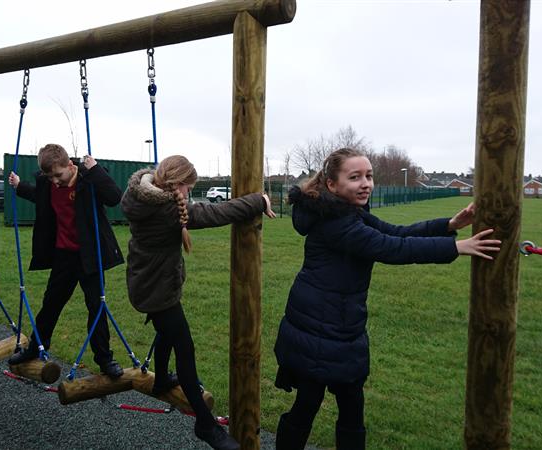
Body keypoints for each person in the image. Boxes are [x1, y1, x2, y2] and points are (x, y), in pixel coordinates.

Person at [272, 148, 501, 450]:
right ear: (331, 184)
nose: (366, 183)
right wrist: (456, 248)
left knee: (349, 407)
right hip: (318, 329)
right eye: (354, 177)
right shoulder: (337, 224)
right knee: (310, 404)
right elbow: (394, 248)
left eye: (369, 176)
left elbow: (397, 231)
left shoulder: (348, 213)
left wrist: (448, 225)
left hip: (341, 327)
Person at [121, 155, 276, 450]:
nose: (189, 194)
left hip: (147, 282)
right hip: (156, 291)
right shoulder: (165, 209)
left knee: (167, 331)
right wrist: (258, 200)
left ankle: (162, 380)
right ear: (177, 184)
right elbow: (216, 213)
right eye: (189, 188)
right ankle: (205, 424)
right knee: (185, 347)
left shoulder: (137, 194)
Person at [7, 144, 125, 378]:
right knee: (51, 303)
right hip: (64, 255)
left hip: (89, 256)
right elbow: (36, 194)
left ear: (71, 165)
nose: (55, 181)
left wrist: (95, 169)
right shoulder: (48, 184)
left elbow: (114, 197)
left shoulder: (88, 181)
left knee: (96, 306)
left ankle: (104, 359)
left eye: (58, 175)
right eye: (50, 177)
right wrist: (19, 185)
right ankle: (36, 347)